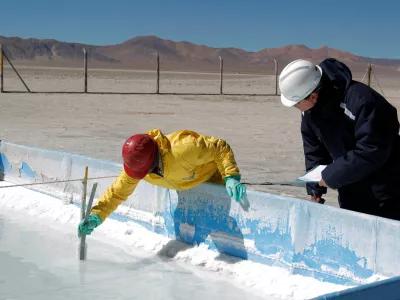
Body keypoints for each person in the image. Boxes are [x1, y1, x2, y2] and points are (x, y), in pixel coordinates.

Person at [278, 57, 400, 221]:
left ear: (313, 96)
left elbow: (372, 151)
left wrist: (332, 175)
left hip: (387, 189)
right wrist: (315, 188)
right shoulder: (310, 112)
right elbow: (314, 151)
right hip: (350, 188)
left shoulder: (364, 102)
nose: (295, 108)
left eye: (295, 103)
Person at [78, 129, 247, 237]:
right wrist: (96, 215)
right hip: (185, 182)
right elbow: (117, 193)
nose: (141, 176)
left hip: (212, 175)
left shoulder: (184, 148)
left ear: (153, 162)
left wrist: (230, 176)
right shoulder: (138, 166)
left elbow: (220, 148)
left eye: (144, 172)